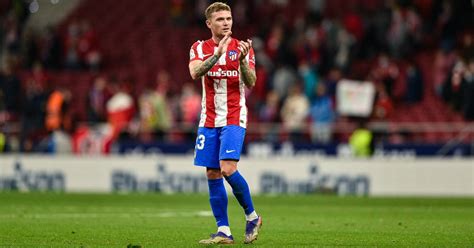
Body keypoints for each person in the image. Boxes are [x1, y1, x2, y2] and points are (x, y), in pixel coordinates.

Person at [188, 2, 262, 245]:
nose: (226, 22)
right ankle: (224, 231)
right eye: (220, 19)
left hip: (233, 116)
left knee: (227, 168)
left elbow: (251, 81)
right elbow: (195, 72)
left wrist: (241, 61)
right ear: (209, 23)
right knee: (212, 172)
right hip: (208, 118)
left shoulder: (242, 48)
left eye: (228, 18)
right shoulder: (199, 48)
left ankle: (252, 216)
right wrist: (217, 54)